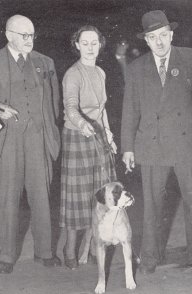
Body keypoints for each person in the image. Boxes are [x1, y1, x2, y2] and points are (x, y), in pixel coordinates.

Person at [0, 14, 61, 274]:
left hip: (38, 138)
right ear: (8, 34)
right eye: (24, 35)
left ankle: (45, 252)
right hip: (7, 139)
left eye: (32, 35)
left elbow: (54, 102)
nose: (29, 40)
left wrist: (47, 132)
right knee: (8, 199)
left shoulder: (45, 63)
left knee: (41, 197)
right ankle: (7, 256)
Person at [121, 10, 192, 274]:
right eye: (153, 37)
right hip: (152, 145)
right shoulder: (136, 69)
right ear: (146, 41)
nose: (159, 42)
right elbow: (130, 111)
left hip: (187, 145)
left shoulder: (189, 58)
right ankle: (150, 258)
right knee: (151, 205)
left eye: (163, 35)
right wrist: (128, 147)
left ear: (171, 35)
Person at [59, 25, 117, 270]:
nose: (90, 47)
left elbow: (101, 111)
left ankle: (95, 245)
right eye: (85, 43)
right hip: (76, 136)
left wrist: (110, 135)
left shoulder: (101, 73)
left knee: (101, 194)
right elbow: (71, 106)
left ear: (100, 44)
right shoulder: (73, 74)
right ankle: (70, 248)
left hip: (98, 136)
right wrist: (82, 124)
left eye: (95, 42)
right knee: (78, 198)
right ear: (77, 45)